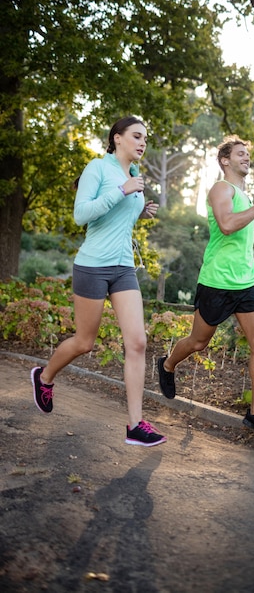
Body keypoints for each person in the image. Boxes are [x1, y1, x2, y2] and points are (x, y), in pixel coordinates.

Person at [31, 116, 166, 447]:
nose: (142, 143)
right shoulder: (98, 169)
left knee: (137, 342)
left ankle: (135, 425)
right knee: (84, 342)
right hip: (92, 266)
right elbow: (82, 215)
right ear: (117, 138)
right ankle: (44, 377)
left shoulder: (132, 176)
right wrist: (122, 191)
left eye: (145, 138)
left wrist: (140, 209)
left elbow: (118, 218)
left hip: (122, 268)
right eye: (136, 136)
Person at [157, 136, 254, 439]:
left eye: (248, 154)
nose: (246, 158)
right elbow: (226, 224)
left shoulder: (244, 194)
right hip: (217, 281)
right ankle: (168, 364)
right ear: (225, 160)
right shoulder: (221, 189)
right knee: (198, 342)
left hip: (248, 280)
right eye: (241, 154)